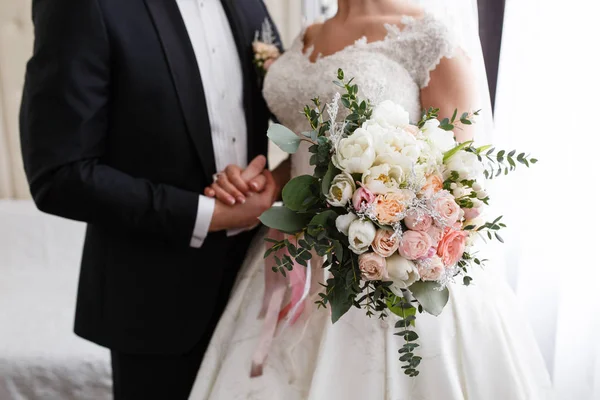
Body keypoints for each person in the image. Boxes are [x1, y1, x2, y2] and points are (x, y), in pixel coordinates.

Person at [191, 0, 555, 399]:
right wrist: (270, 183)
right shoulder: (308, 34)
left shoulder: (428, 38)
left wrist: (386, 227)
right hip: (291, 250)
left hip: (381, 266)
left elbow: (461, 182)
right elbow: (307, 152)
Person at [19, 0, 284, 398]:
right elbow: (58, 174)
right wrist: (207, 214)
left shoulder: (247, 3)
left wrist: (268, 183)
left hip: (259, 290)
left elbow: (289, 109)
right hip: (154, 302)